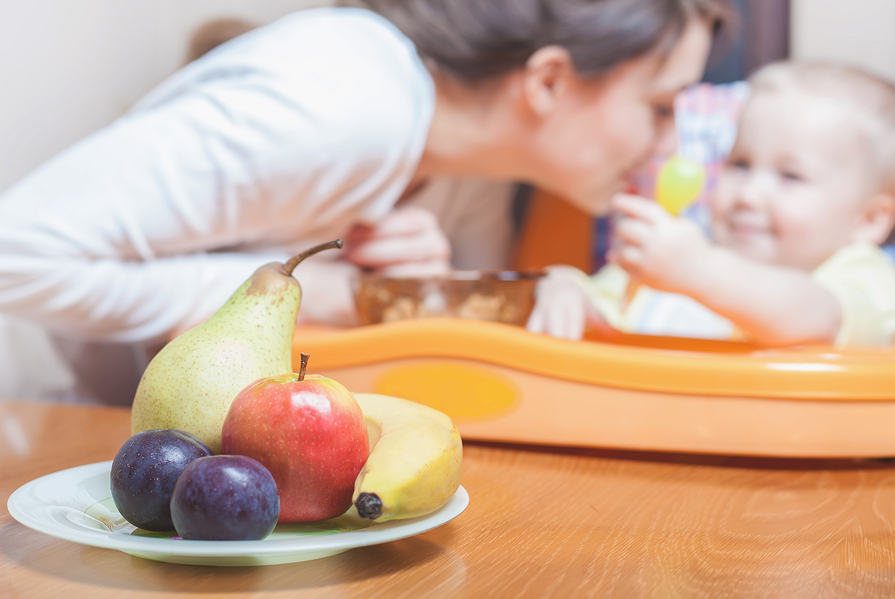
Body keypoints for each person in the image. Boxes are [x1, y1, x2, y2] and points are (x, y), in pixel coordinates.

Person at [0, 0, 733, 402]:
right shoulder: (342, 103)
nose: (669, 144)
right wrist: (317, 290)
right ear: (546, 82)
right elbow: (15, 253)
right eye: (661, 107)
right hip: (51, 434)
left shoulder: (475, 168)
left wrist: (400, 292)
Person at [528, 61, 895, 347]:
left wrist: (701, 271)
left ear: (868, 220)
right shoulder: (684, 252)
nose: (748, 195)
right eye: (739, 164)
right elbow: (603, 306)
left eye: (791, 177)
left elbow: (817, 320)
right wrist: (566, 289)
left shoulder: (863, 276)